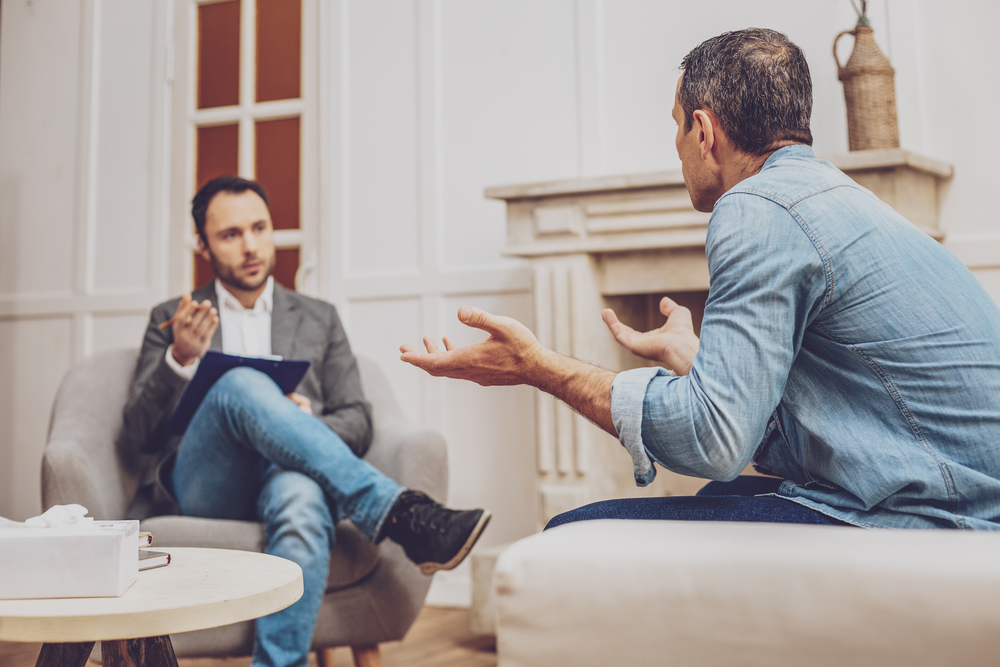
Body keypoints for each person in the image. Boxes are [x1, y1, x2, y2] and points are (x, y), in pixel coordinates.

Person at [400, 28, 1000, 531]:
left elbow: (715, 444)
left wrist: (538, 367)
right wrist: (698, 364)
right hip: (962, 490)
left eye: (677, 125)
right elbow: (842, 436)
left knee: (574, 534)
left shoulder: (758, 207)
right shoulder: (838, 198)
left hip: (938, 514)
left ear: (704, 131)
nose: (679, 145)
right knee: (710, 501)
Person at [124, 175, 491, 667]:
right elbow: (137, 434)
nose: (251, 246)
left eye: (260, 228)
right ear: (202, 245)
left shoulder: (319, 318)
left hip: (291, 478)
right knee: (239, 383)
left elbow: (359, 419)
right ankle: (399, 513)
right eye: (231, 235)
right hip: (208, 486)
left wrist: (306, 420)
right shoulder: (172, 318)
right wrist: (180, 358)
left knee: (299, 492)